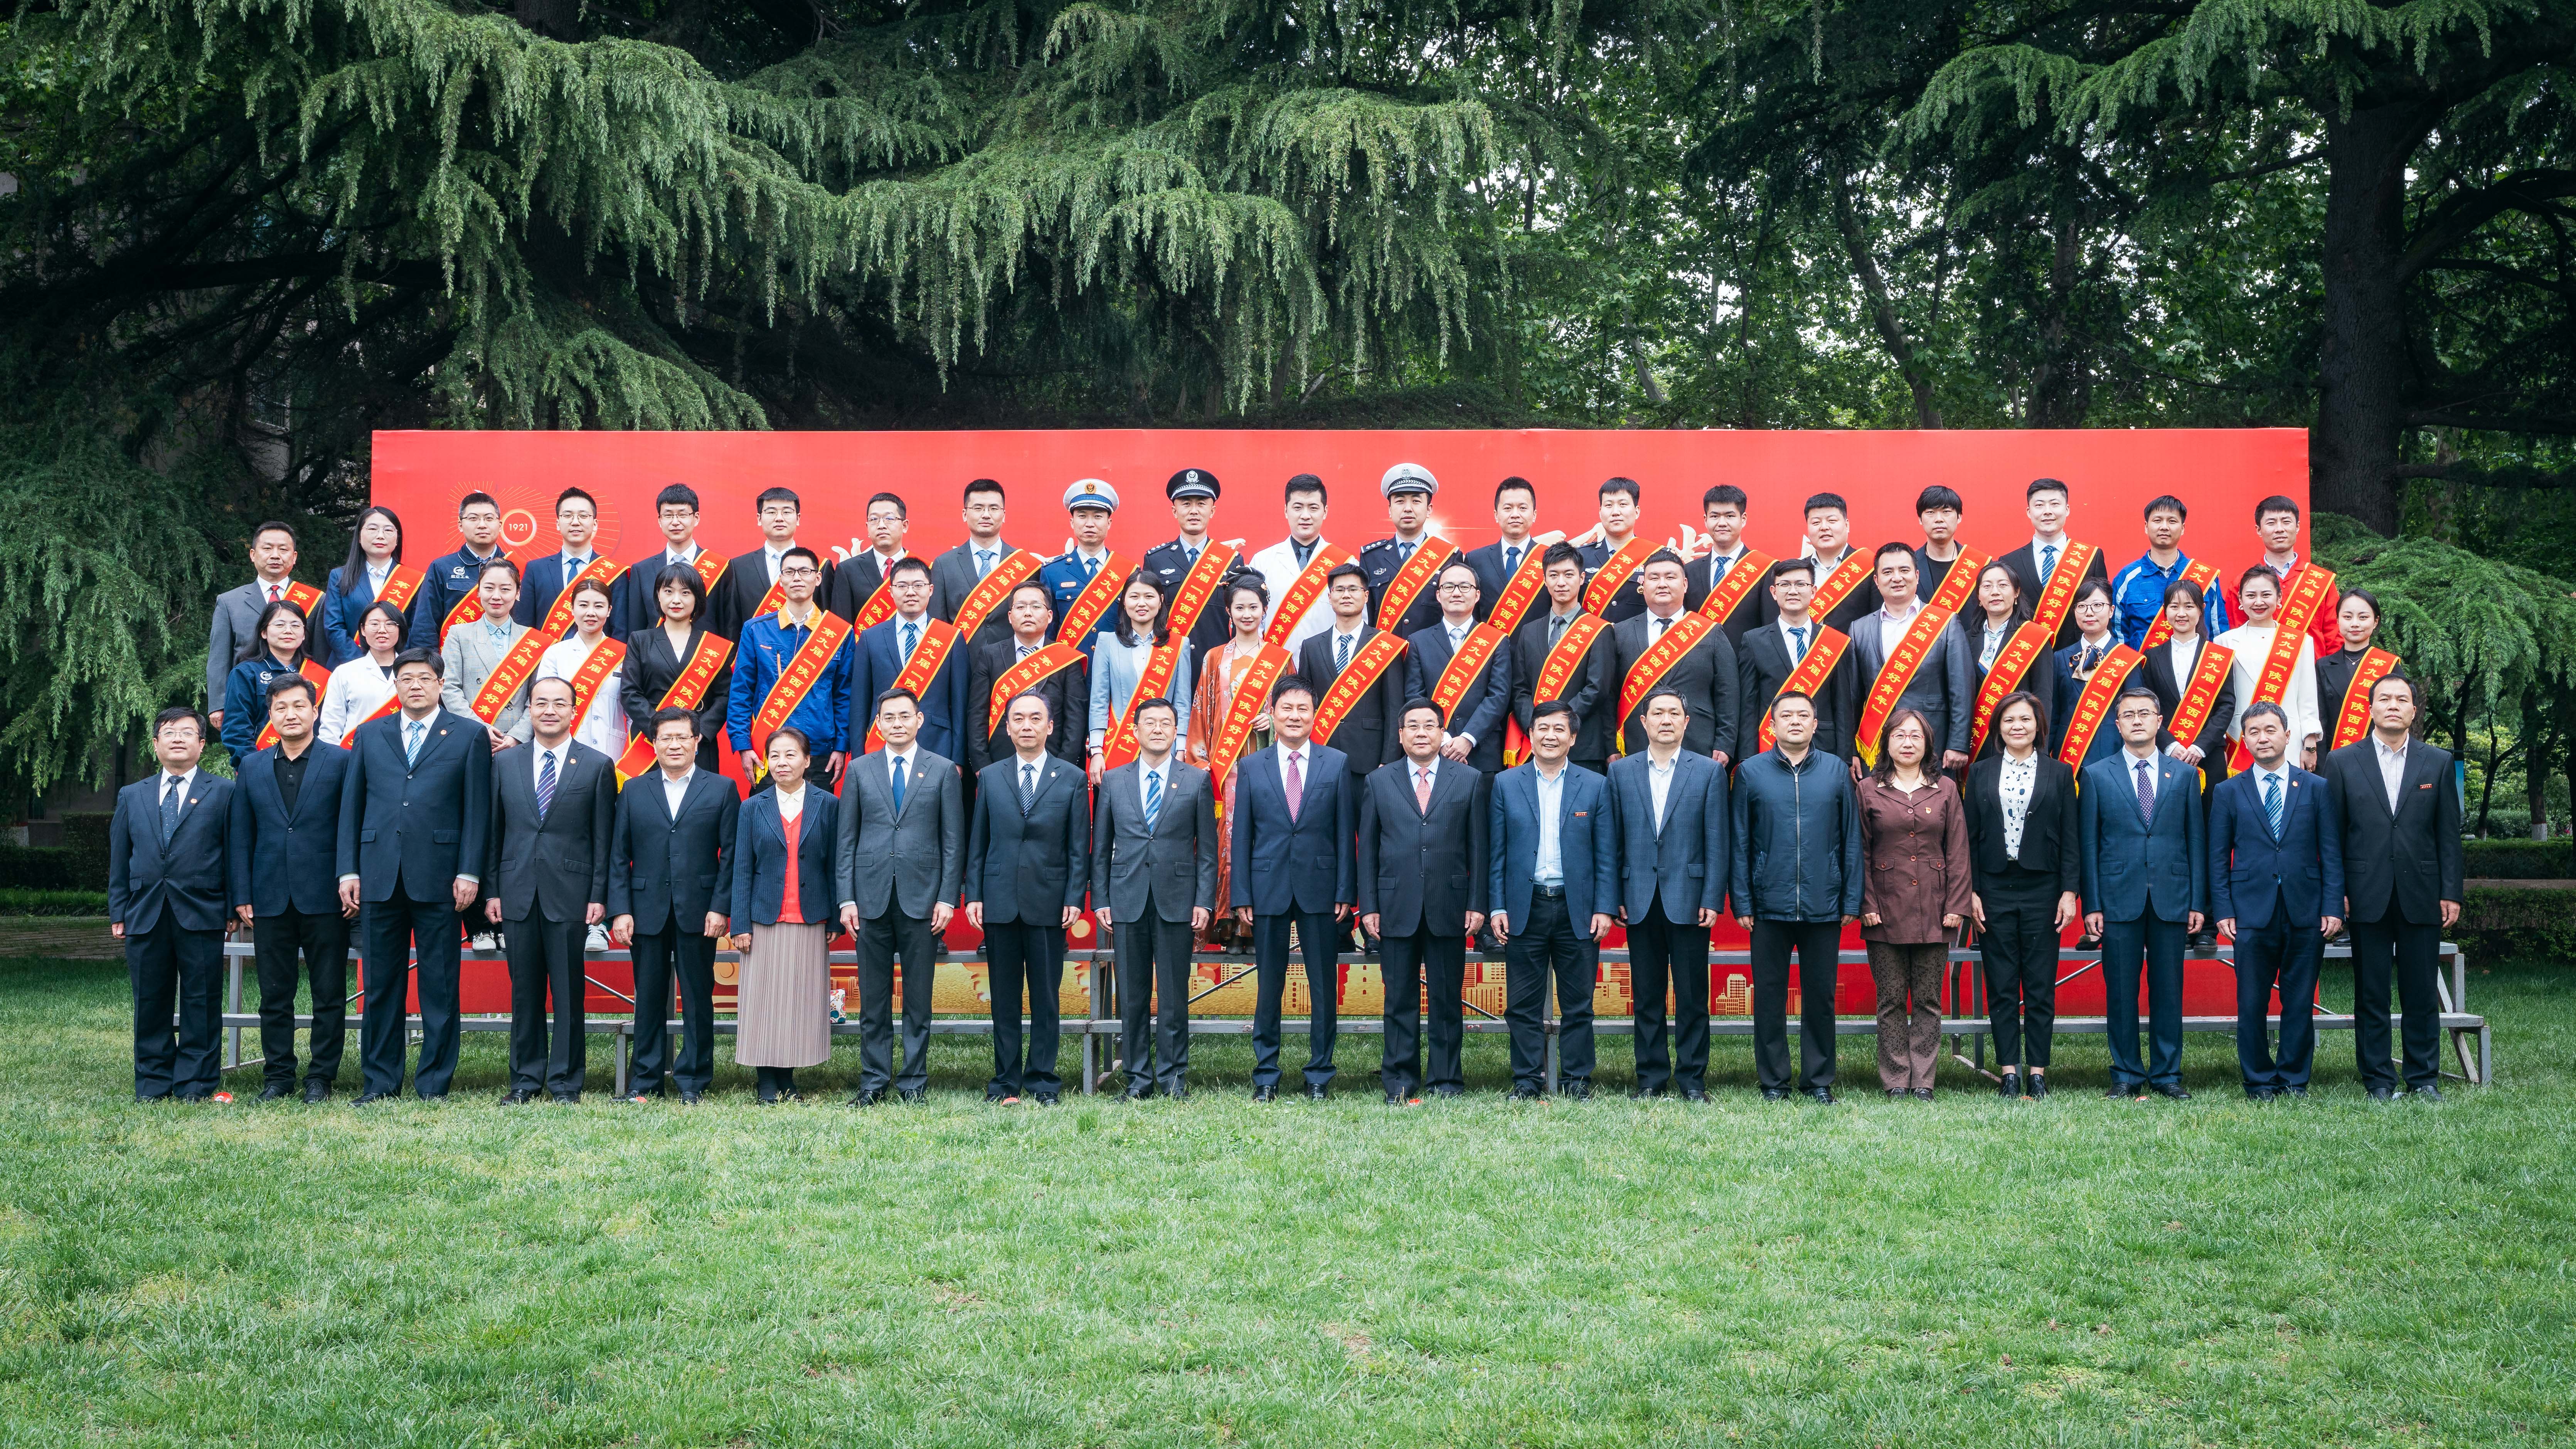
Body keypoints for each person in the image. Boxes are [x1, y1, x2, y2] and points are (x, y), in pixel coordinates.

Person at [336, 647, 492, 1103]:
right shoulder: (370, 734)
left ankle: (434, 1083)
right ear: (396, 685)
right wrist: (349, 869)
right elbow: (351, 807)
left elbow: (477, 810)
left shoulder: (468, 735)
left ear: (441, 684)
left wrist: (470, 871)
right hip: (379, 874)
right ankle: (380, 1082)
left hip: (441, 878)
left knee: (439, 985)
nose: (416, 686)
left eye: (425, 678)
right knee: (381, 985)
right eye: (406, 679)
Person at [2319, 675, 2463, 1101]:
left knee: (2421, 993)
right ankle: (2379, 1080)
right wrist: (2337, 892)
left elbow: (2448, 834)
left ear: (2414, 711)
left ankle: (2423, 1078)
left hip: (2422, 892)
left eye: (2402, 699)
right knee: (2371, 993)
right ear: (2370, 709)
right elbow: (2332, 836)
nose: (2394, 705)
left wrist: (2451, 891)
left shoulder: (2437, 761)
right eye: (2385, 699)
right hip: (2365, 894)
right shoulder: (2342, 761)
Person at [483, 676, 616, 1103]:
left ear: (574, 710)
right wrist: (492, 891)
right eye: (541, 703)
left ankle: (565, 1083)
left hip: (572, 894)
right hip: (517, 891)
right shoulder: (505, 763)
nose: (550, 711)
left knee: (569, 993)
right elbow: (493, 833)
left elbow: (604, 838)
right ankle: (525, 1080)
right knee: (524, 993)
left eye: (560, 703)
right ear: (530, 709)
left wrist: (599, 895)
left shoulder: (596, 765)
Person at [835, 689, 967, 1105]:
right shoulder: (859, 769)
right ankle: (873, 1082)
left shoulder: (943, 770)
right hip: (869, 900)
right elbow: (846, 840)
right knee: (873, 1001)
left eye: (904, 716)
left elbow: (953, 842)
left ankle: (913, 1083)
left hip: (923, 901)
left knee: (917, 1001)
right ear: (878, 724)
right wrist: (846, 899)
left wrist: (948, 898)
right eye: (888, 717)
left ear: (919, 720)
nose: (897, 723)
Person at [1730, 691, 1864, 1103]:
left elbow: (1851, 838)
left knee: (1820, 996)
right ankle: (1774, 1081)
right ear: (1771, 725)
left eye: (1802, 715)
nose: (1794, 721)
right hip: (1768, 904)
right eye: (1785, 715)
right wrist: (1743, 901)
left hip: (1823, 902)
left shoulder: (1836, 771)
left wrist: (1850, 900)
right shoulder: (1750, 772)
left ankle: (1818, 1080)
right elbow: (1739, 841)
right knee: (1769, 996)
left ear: (1815, 724)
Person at [1227, 677, 1356, 1101]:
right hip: (1267, 888)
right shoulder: (1252, 765)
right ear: (1273, 713)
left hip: (1321, 888)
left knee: (1323, 987)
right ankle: (1266, 1074)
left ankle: (1319, 1073)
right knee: (1269, 987)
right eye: (1287, 708)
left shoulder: (1336, 763)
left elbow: (1344, 833)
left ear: (1314, 715)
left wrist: (1345, 890)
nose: (1295, 716)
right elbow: (1242, 835)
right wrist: (1241, 895)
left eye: (1303, 709)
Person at [2209, 701, 2345, 1100]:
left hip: (2306, 909)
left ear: (2287, 736)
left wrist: (2332, 906)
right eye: (2253, 732)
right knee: (2251, 1002)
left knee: (2299, 1001)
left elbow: (2331, 852)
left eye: (2270, 730)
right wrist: (2223, 908)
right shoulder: (2228, 791)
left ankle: (2293, 1080)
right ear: (2244, 740)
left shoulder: (2316, 788)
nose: (2262, 738)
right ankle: (2258, 1081)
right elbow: (2217, 856)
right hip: (2250, 912)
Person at [227, 674, 354, 1101]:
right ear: (271, 715)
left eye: (299, 706)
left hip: (327, 897)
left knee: (329, 993)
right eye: (281, 708)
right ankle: (278, 1076)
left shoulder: (342, 762)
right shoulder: (253, 766)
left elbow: (352, 827)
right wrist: (242, 893)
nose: (291, 714)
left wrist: (350, 879)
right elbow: (241, 834)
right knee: (274, 994)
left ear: (315, 711)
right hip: (269, 897)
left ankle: (321, 1077)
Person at [2079, 686, 2209, 1101]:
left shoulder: (2185, 776)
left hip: (2172, 896)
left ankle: (2167, 1074)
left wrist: (2198, 902)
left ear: (2159, 721)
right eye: (2128, 715)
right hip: (2118, 898)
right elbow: (2089, 845)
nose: (2137, 720)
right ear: (2117, 725)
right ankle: (2125, 1074)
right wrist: (2092, 904)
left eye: (2144, 713)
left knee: (2168, 989)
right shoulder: (2097, 774)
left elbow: (2196, 841)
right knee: (2120, 991)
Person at [1358, 700, 1490, 1103]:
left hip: (1449, 905)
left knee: (1446, 999)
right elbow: (1368, 851)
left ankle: (1446, 1081)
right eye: (1412, 726)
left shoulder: (1469, 780)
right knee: (1399, 999)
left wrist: (1477, 903)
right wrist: (1369, 906)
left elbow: (1479, 849)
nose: (1421, 732)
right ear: (1400, 735)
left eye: (1430, 725)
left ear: (1441, 733)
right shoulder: (1378, 781)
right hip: (1394, 906)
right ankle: (1399, 1080)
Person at [608, 707, 740, 1105]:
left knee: (698, 998)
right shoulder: (634, 790)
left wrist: (721, 906)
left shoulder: (721, 788)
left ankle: (693, 1080)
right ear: (653, 743)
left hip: (700, 911)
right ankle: (645, 1081)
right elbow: (619, 855)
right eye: (666, 738)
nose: (675, 745)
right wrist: (621, 909)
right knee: (648, 997)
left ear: (697, 741)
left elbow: (732, 855)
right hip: (645, 909)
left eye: (683, 737)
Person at [963, 692, 1089, 1105]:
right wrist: (974, 893)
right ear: (1007, 728)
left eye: (1036, 718)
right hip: (999, 900)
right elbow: (978, 841)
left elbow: (1078, 847)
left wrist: (1075, 896)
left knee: (1046, 999)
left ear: (1050, 727)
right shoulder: (990, 776)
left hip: (1049, 901)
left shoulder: (1071, 778)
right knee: (1004, 999)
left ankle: (1042, 1081)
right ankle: (1005, 1082)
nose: (1027, 726)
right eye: (1018, 719)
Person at [1487, 700, 1615, 1100]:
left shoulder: (1595, 785)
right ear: (1530, 734)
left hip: (1578, 909)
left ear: (1573, 738)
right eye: (1542, 728)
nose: (1550, 736)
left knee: (1578, 1004)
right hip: (1524, 906)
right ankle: (1527, 1080)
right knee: (1522, 1004)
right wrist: (1497, 906)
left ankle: (1577, 1081)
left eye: (1560, 729)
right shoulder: (1506, 783)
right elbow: (1496, 853)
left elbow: (1606, 854)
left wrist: (1604, 907)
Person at [1607, 687, 1730, 1097]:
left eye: (1674, 713)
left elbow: (1717, 840)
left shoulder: (1708, 771)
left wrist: (1712, 898)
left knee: (1693, 996)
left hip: (1690, 900)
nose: (1665, 720)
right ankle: (1651, 1078)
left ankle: (1692, 1079)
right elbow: (1612, 841)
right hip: (1637, 899)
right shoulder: (1621, 772)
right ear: (1643, 722)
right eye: (1657, 713)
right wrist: (1614, 894)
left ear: (1686, 722)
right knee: (1647, 996)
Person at [1093, 698, 1219, 1099]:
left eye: (1166, 723)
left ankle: (1173, 1077)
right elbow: (1101, 848)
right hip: (1126, 899)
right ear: (1135, 731)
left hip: (1177, 901)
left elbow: (1208, 851)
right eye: (1150, 722)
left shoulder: (1196, 780)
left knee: (1173, 996)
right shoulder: (1114, 780)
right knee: (1131, 997)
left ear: (1176, 731)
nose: (1158, 729)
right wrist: (1101, 899)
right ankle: (1137, 1080)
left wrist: (1204, 901)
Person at [110, 707, 236, 1102]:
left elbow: (234, 854)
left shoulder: (224, 792)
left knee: (202, 1000)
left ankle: (195, 1083)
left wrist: (231, 908)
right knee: (150, 999)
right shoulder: (132, 795)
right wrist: (118, 910)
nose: (177, 738)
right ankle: (153, 1082)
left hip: (202, 910)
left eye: (187, 732)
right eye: (169, 732)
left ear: (202, 744)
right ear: (156, 744)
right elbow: (120, 857)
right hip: (145, 911)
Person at [1962, 691, 2081, 1098]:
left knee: (2039, 984)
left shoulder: (2059, 773)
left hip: (2043, 889)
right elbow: (1969, 838)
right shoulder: (1980, 772)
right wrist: (1971, 891)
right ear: (1998, 727)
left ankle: (2038, 1072)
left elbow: (2070, 837)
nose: (2018, 726)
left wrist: (2069, 892)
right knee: (2001, 983)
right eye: (2009, 719)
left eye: (2025, 719)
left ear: (2038, 726)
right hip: (1993, 888)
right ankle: (2009, 1072)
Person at [1855, 709, 1970, 1099]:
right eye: (1900, 736)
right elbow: (1859, 851)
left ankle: (1923, 1080)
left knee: (1928, 1000)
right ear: (1887, 743)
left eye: (1916, 736)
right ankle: (1895, 1080)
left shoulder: (1946, 789)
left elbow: (1958, 850)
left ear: (1928, 744)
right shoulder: (1868, 789)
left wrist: (1956, 904)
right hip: (1883, 910)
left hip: (1936, 909)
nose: (1908, 743)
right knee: (1890, 1000)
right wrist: (1866, 902)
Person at [729, 728, 840, 1103]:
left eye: (791, 755)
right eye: (774, 756)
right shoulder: (752, 807)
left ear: (807, 761)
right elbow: (742, 868)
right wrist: (740, 923)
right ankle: (766, 1080)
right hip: (763, 918)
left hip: (810, 918)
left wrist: (835, 918)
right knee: (763, 1002)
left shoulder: (828, 804)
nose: (782, 763)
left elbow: (834, 865)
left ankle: (788, 1079)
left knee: (797, 1002)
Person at [1187, 577, 1287, 947]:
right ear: (1229, 611)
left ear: (1265, 610)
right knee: (1223, 837)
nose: (1247, 614)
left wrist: (1273, 721)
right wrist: (1201, 763)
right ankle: (1226, 922)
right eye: (1239, 607)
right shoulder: (1214, 657)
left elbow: (1293, 710)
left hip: (1263, 762)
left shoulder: (1280, 658)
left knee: (1261, 836)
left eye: (1254, 607)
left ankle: (1256, 922)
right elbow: (1201, 711)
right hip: (1223, 766)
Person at [1598, 549, 1741, 766]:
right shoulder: (1619, 633)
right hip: (1635, 746)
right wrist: (1610, 745)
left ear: (1685, 584)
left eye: (1670, 577)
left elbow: (1728, 692)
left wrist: (1725, 743)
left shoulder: (1710, 632)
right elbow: (1608, 694)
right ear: (1643, 585)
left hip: (1700, 746)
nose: (1662, 584)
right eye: (1654, 578)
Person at [726, 545, 852, 785]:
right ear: (780, 580)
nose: (797, 578)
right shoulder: (756, 629)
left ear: (818, 578)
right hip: (769, 750)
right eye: (789, 572)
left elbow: (844, 695)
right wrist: (743, 745)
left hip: (820, 749)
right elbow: (741, 691)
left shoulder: (839, 633)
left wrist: (842, 746)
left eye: (805, 571)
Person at [1847, 542, 1973, 774]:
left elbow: (1961, 688)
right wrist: (1852, 751)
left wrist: (1958, 743)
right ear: (1876, 581)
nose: (1897, 578)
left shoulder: (1945, 623)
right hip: (1877, 743)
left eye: (1904, 570)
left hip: (1932, 741)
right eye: (1888, 572)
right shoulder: (1859, 629)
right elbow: (1854, 697)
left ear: (1917, 576)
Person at [851, 555, 968, 768]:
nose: (911, 592)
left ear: (931, 590)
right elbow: (859, 703)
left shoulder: (951, 637)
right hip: (880, 744)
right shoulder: (870, 638)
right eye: (902, 586)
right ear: (891, 591)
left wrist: (958, 759)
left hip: (937, 745)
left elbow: (960, 703)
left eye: (918, 585)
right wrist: (858, 759)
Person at [1737, 558, 1858, 761]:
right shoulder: (1754, 641)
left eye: (1801, 584)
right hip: (1770, 748)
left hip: (1824, 750)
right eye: (1785, 585)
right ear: (1774, 592)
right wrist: (1747, 760)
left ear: (1813, 591)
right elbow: (1748, 706)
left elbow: (1843, 706)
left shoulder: (1834, 641)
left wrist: (1844, 759)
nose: (1793, 591)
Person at [1299, 562, 1407, 787]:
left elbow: (1394, 706)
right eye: (1339, 589)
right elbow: (1304, 703)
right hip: (1321, 753)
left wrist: (1389, 760)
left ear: (1366, 596)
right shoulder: (1311, 646)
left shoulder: (1385, 645)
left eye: (1353, 589)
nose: (1346, 595)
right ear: (1330, 597)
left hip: (1370, 758)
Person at [618, 562, 733, 774]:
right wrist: (659, 730)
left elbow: (725, 696)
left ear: (697, 598)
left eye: (685, 593)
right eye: (669, 592)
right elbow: (630, 692)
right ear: (658, 596)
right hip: (651, 742)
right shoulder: (640, 640)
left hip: (698, 744)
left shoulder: (714, 645)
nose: (676, 600)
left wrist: (700, 731)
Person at [1509, 543, 1613, 776]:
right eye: (1554, 575)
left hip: (1582, 746)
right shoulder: (1529, 631)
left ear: (1582, 578)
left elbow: (1597, 689)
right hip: (1535, 745)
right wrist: (1535, 725)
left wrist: (1559, 723)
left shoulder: (1599, 630)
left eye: (1569, 575)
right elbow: (1520, 689)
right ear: (1545, 580)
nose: (1561, 583)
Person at [965, 581, 1088, 773]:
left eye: (1036, 607)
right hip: (998, 765)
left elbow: (1075, 719)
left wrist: (1064, 769)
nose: (1028, 613)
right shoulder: (990, 656)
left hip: (1054, 764)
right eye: (1020, 607)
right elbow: (977, 714)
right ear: (1010, 616)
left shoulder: (1067, 658)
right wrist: (983, 766)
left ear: (1050, 616)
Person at [1403, 560, 1510, 774]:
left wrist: (1468, 738)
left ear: (1477, 595)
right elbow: (1415, 696)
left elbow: (1499, 696)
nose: (1457, 593)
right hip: (1434, 752)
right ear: (1438, 595)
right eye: (1449, 587)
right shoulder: (1418, 641)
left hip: (1482, 752)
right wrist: (1443, 740)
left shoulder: (1496, 640)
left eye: (1465, 587)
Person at [1087, 572, 1195, 782]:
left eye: (1149, 596)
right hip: (1119, 744)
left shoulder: (1179, 644)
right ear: (1124, 602)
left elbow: (1182, 702)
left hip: (1165, 745)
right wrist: (1097, 750)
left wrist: (1181, 748)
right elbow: (1099, 700)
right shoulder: (1107, 642)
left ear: (1161, 601)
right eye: (1134, 597)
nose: (1141, 603)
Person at [2214, 564, 2323, 770]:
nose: (2258, 602)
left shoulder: (2300, 641)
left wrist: (2310, 744)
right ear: (2240, 600)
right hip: (2241, 739)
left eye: (2266, 595)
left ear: (2279, 597)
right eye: (2251, 596)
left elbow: (2307, 697)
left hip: (2288, 738)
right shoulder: (2224, 642)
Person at [206, 521, 310, 733]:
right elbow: (219, 655)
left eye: (283, 550)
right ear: (253, 554)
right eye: (267, 548)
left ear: (294, 557)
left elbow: (320, 652)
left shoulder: (314, 600)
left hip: (299, 699)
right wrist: (218, 703)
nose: (275, 556)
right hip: (247, 695)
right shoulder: (229, 601)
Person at [2139, 580, 2238, 795]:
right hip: (2165, 753)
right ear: (2165, 611)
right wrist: (2170, 745)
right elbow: (2147, 707)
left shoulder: (2219, 657)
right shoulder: (2152, 657)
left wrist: (2201, 746)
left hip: (2209, 752)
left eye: (2189, 606)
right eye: (2174, 607)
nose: (2181, 614)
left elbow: (2226, 706)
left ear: (2202, 610)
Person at [1957, 559, 2058, 759]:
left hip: (2020, 744)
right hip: (1975, 744)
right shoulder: (1964, 639)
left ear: (2017, 592)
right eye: (1987, 586)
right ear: (1979, 597)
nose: (1995, 592)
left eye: (2003, 585)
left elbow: (2043, 698)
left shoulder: (2035, 638)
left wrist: (2041, 751)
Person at [1139, 468, 1237, 668]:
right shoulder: (1156, 560)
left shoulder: (1231, 561)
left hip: (1216, 663)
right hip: (1167, 664)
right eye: (1186, 504)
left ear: (1212, 511)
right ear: (1174, 511)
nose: (1194, 511)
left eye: (1201, 504)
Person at [1997, 477, 2110, 648]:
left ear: (2067, 509)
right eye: (2040, 505)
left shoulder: (2091, 557)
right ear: (2029, 512)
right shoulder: (2009, 561)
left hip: (2078, 653)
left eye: (2055, 504)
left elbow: (2102, 610)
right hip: (2026, 653)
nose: (2047, 512)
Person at [440, 558, 539, 752]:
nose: (496, 596)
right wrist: (480, 728)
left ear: (518, 593)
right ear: (478, 592)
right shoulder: (459, 634)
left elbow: (538, 696)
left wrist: (518, 736)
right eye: (489, 588)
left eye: (505, 589)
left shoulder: (533, 640)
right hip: (471, 738)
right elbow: (449, 687)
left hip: (517, 745)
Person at [531, 577, 628, 772]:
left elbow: (631, 711)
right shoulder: (555, 653)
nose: (591, 613)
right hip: (564, 750)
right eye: (583, 605)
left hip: (613, 751)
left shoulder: (625, 654)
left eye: (599, 606)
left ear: (609, 611)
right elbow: (542, 704)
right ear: (572, 609)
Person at [2110, 494, 2230, 648]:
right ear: (2146, 527)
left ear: (2183, 528)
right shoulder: (2127, 578)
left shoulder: (2205, 577)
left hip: (2195, 663)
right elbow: (2118, 635)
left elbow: (2218, 635)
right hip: (2143, 663)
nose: (2164, 527)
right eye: (2158, 521)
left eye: (2172, 521)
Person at [716, 486, 837, 640]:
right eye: (771, 512)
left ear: (798, 518)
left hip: (806, 651)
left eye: (787, 512)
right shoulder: (739, 567)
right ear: (759, 519)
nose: (779, 518)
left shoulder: (821, 566)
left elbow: (829, 619)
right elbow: (732, 624)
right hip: (756, 652)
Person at [1249, 473, 1344, 652]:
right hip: (1273, 662)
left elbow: (1356, 621)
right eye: (1298, 508)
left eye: (1313, 508)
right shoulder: (1262, 561)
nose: (1305, 516)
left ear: (1325, 512)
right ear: (1286, 511)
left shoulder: (1345, 564)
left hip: (1327, 662)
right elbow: (1252, 619)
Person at [514, 488, 627, 638]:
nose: (575, 522)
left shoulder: (615, 573)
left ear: (595, 524)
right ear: (558, 524)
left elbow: (620, 630)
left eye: (583, 516)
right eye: (568, 516)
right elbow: (523, 625)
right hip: (548, 653)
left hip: (597, 653)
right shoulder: (536, 570)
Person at [220, 598, 324, 759]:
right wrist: (253, 766)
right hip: (262, 762)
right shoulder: (246, 673)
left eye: (296, 625)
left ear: (304, 634)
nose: (288, 631)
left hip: (313, 762)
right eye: (280, 625)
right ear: (264, 632)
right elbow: (237, 730)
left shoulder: (320, 675)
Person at [1357, 462, 1452, 637]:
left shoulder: (1449, 557)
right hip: (1383, 650)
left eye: (1416, 501)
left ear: (1429, 509)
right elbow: (1364, 615)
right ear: (1390, 509)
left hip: (1431, 651)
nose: (1408, 508)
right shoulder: (1371, 557)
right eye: (1400, 501)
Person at [2241, 494, 2342, 660]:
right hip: (2261, 673)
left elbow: (2335, 635)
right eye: (2271, 523)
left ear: (2297, 527)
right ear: (2259, 530)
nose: (2279, 529)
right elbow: (2236, 634)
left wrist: (2331, 672)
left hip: (2314, 672)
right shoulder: (2243, 583)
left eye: (2286, 522)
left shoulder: (2321, 581)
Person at [2050, 578, 2137, 767]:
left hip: (2114, 755)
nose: (2089, 613)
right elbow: (2054, 713)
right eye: (2082, 606)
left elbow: (2135, 713)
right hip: (2068, 754)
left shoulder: (2129, 659)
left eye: (2098, 605)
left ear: (2111, 611)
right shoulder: (2059, 658)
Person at [321, 505, 422, 665]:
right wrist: (362, 664)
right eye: (373, 529)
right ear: (359, 537)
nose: (380, 536)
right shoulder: (339, 577)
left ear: (397, 539)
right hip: (349, 666)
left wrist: (398, 662)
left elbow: (417, 629)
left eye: (388, 530)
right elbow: (334, 628)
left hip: (399, 668)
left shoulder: (416, 580)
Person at [409, 491, 511, 650]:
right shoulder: (441, 568)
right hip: (455, 657)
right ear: (460, 525)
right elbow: (425, 626)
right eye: (473, 518)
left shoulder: (516, 568)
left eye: (489, 518)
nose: (482, 525)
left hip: (506, 657)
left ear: (500, 525)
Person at [938, 478, 1034, 646]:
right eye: (978, 508)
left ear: (1004, 515)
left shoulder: (1025, 565)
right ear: (965, 514)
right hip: (962, 658)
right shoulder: (944, 565)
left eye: (994, 508)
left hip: (1011, 659)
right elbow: (938, 624)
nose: (986, 515)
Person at [1037, 478, 1128, 650]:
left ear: (1109, 523)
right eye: (1082, 516)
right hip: (1069, 664)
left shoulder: (1128, 572)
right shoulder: (1052, 572)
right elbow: (1048, 630)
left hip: (1114, 664)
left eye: (1098, 517)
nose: (1090, 524)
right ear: (1072, 522)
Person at [613, 483, 718, 632]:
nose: (675, 522)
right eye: (668, 516)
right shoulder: (642, 571)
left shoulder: (720, 568)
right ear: (660, 520)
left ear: (696, 518)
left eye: (682, 515)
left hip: (704, 647)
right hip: (655, 648)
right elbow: (636, 628)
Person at [2314, 589, 2406, 753]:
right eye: (2348, 617)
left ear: (2376, 621)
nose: (2355, 624)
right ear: (2338, 620)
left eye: (2363, 617)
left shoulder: (2389, 665)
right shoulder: (2323, 666)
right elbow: (2320, 719)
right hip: (2335, 755)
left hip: (2380, 753)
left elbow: (2401, 716)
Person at [1770, 492, 1877, 631]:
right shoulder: (1796, 571)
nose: (1824, 527)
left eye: (1832, 521)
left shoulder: (1870, 566)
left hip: (1853, 645)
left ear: (1847, 525)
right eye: (1816, 523)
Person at [1684, 483, 1768, 642]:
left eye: (1730, 516)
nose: (1722, 523)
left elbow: (1769, 629)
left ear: (1743, 519)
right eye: (1715, 516)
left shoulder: (1766, 570)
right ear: (1706, 520)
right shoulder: (1689, 571)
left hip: (1745, 657)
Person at [317, 602, 407, 746]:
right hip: (355, 753)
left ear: (400, 629)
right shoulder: (344, 673)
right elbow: (331, 727)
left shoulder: (413, 672)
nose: (382, 630)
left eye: (390, 624)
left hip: (404, 752)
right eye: (375, 624)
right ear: (363, 630)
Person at [1463, 476, 1545, 627]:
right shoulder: (1476, 560)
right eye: (1508, 508)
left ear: (1534, 515)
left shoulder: (1549, 559)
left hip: (1537, 643)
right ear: (1496, 515)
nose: (1515, 514)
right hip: (1489, 642)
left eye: (1523, 508)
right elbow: (1471, 614)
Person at [826, 491, 913, 623]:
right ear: (867, 527)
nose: (881, 526)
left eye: (889, 519)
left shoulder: (924, 570)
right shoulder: (848, 570)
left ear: (905, 526)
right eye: (874, 520)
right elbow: (841, 625)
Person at [1575, 476, 1653, 623]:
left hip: (1636, 638)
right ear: (1600, 512)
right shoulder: (1580, 557)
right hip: (1591, 636)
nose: (1616, 512)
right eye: (1609, 505)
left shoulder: (1656, 558)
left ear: (1637, 512)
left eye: (1623, 504)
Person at [1912, 485, 1970, 599]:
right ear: (1920, 519)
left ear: (1959, 517)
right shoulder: (1909, 566)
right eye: (1930, 512)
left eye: (1946, 512)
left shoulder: (1978, 566)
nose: (1939, 519)